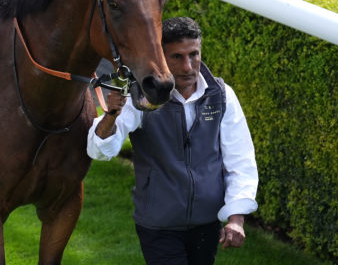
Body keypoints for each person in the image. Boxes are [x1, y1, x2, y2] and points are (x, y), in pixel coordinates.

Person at [87, 16, 258, 265]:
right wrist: (111, 115)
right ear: (160, 56)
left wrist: (236, 218)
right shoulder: (141, 97)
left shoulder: (221, 95)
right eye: (177, 57)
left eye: (194, 54)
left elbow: (240, 161)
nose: (188, 66)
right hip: (158, 226)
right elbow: (99, 150)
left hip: (207, 225)